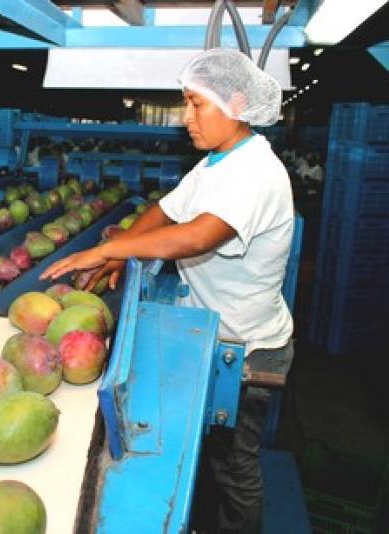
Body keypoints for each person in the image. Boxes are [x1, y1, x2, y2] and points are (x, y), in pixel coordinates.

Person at [41, 47, 294, 534]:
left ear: (236, 103)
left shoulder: (257, 172)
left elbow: (198, 236)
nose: (186, 118)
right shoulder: (216, 164)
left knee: (235, 468)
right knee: (210, 453)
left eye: (196, 104)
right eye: (185, 104)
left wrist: (106, 250)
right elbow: (165, 211)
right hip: (213, 333)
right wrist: (121, 253)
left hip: (248, 349)